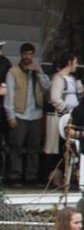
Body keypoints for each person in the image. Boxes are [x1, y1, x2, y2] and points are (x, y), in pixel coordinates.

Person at [4, 42, 51, 185]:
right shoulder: (13, 72)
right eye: (25, 54)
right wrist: (10, 115)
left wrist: (39, 72)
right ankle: (14, 176)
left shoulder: (37, 71)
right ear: (21, 55)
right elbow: (9, 95)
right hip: (19, 114)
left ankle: (31, 176)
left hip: (35, 114)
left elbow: (46, 87)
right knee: (16, 146)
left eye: (30, 54)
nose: (27, 57)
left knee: (34, 148)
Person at [46, 52, 82, 173]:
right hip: (60, 117)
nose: (77, 65)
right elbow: (55, 98)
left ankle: (69, 173)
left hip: (72, 117)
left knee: (70, 147)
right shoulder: (58, 78)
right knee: (59, 146)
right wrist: (67, 111)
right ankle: (55, 174)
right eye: (75, 62)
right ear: (69, 62)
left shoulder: (72, 79)